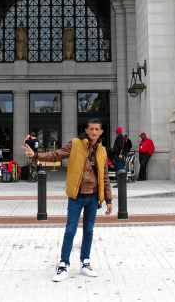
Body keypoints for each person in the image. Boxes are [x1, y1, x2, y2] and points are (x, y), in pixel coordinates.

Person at [22, 119, 112, 282]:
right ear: (86, 130)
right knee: (70, 230)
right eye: (91, 129)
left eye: (96, 129)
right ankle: (63, 264)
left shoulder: (102, 151)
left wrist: (109, 199)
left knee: (89, 230)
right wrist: (35, 155)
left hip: (92, 196)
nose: (93, 132)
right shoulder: (76, 143)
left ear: (101, 132)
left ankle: (85, 263)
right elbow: (57, 154)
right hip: (76, 196)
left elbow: (105, 177)